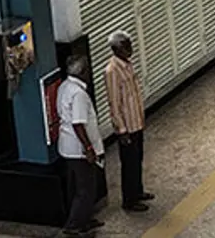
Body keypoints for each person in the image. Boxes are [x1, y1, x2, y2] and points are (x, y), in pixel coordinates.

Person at [105, 31, 154, 213]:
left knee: (137, 159)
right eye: (126, 46)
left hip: (136, 122)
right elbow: (114, 103)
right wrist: (122, 130)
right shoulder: (112, 71)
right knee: (129, 163)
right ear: (117, 49)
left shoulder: (127, 65)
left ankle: (138, 190)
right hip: (127, 126)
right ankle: (129, 199)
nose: (130, 48)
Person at [57, 55, 104, 237]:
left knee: (77, 187)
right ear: (83, 72)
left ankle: (84, 219)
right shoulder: (79, 94)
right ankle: (74, 224)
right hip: (78, 151)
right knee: (86, 189)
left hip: (66, 147)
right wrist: (89, 148)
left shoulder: (64, 87)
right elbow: (78, 123)